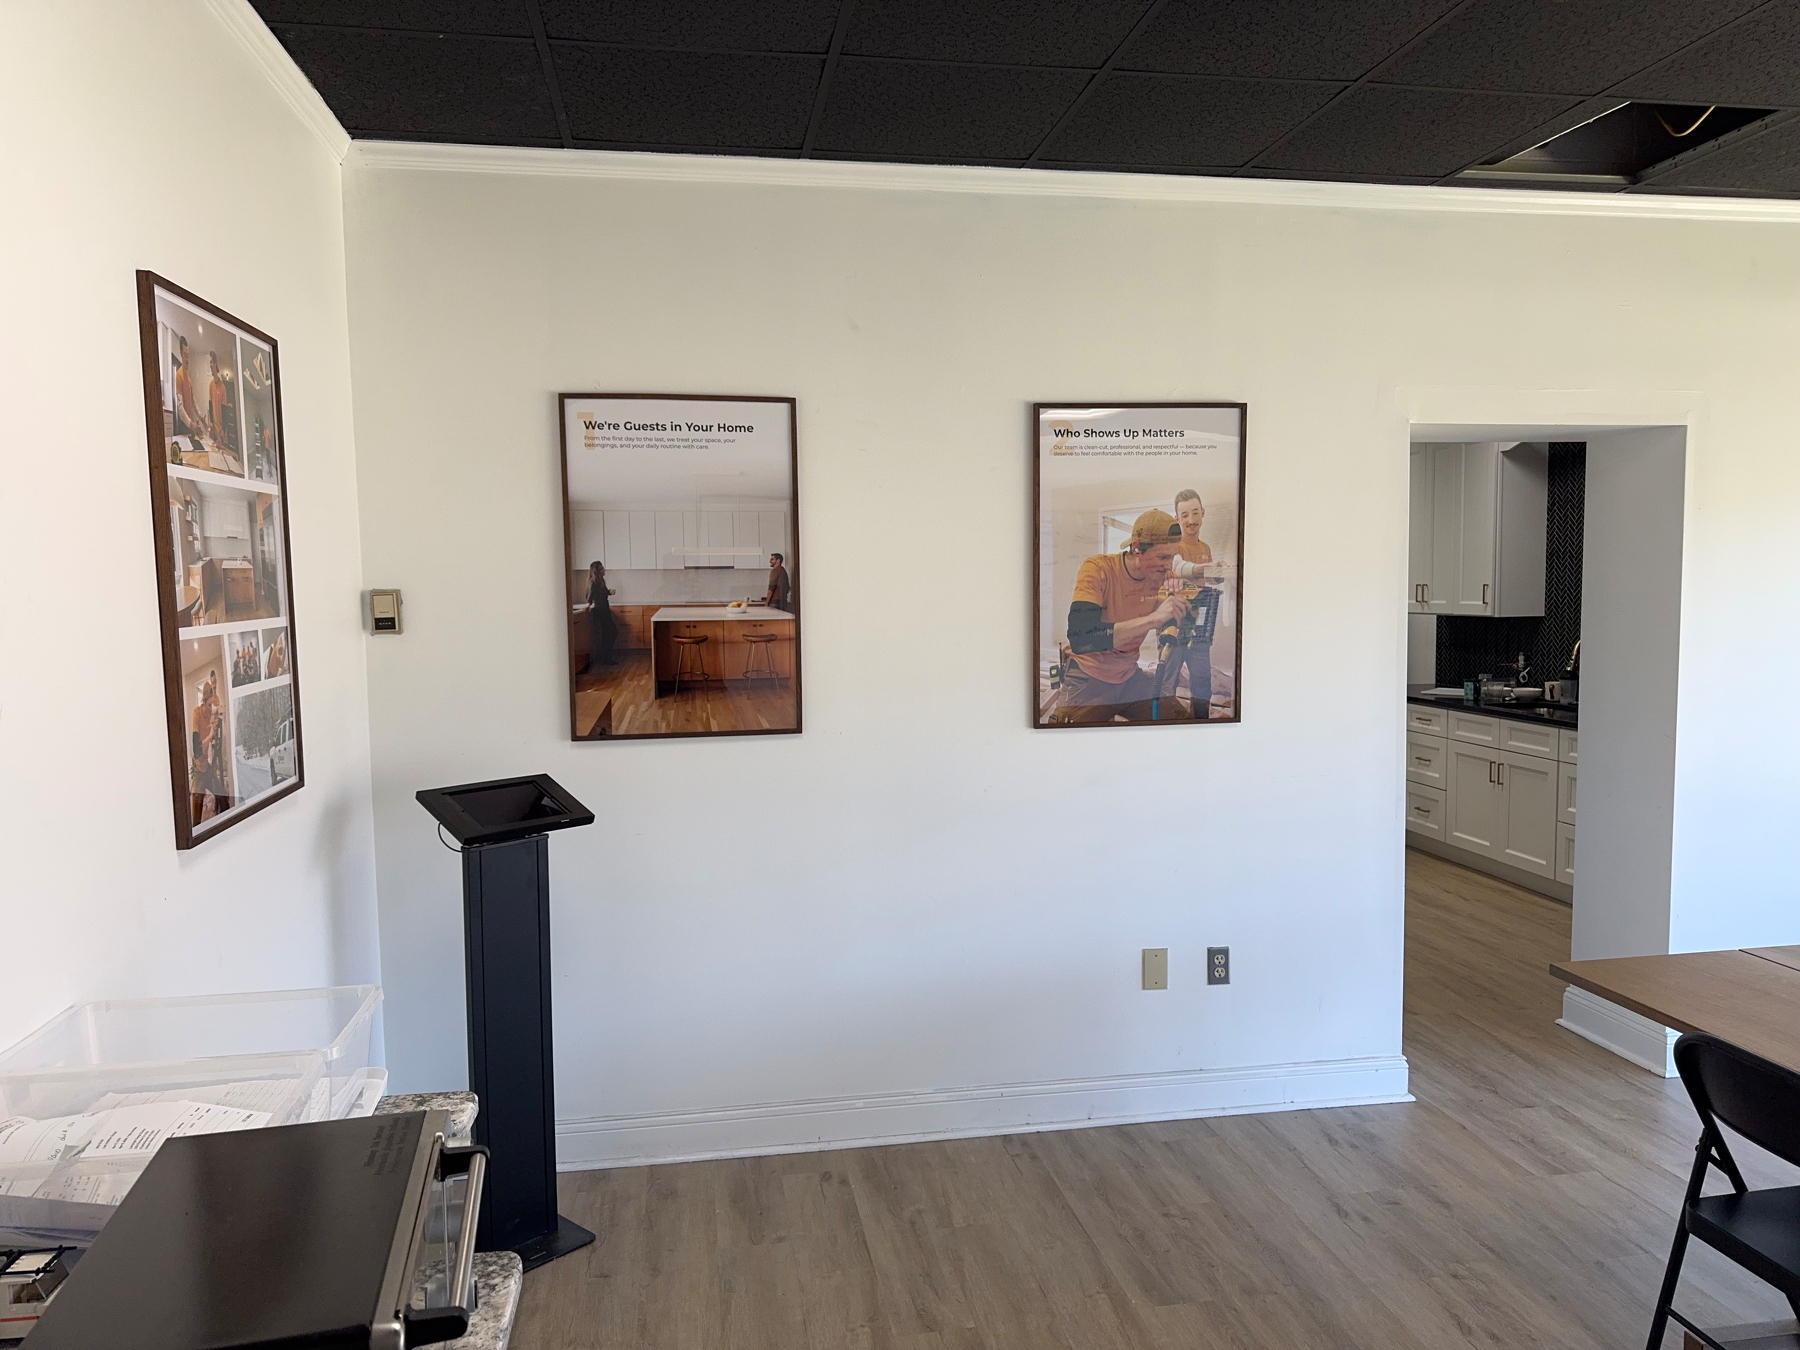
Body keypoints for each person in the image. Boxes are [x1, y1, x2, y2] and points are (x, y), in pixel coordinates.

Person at [1055, 509, 1192, 723]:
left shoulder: (1162, 576)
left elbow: (1175, 615)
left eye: (1172, 556)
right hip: (1088, 676)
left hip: (1129, 677)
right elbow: (1081, 639)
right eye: (1163, 557)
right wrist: (1153, 619)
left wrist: (1182, 612)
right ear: (1137, 548)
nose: (1168, 565)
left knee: (1183, 722)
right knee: (1064, 737)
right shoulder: (1098, 569)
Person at [1171, 488, 1214, 717]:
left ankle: (1201, 724)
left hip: (1199, 626)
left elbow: (1207, 581)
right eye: (1185, 515)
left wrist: (1218, 572)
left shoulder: (1205, 548)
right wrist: (1205, 568)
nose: (1191, 520)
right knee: (1168, 682)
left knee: (1202, 683)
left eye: (1195, 513)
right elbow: (1179, 567)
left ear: (1203, 513)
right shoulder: (1173, 546)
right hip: (1174, 624)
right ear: (1177, 518)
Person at [585, 561, 618, 671]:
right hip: (601, 610)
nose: (604, 570)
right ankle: (606, 657)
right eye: (602, 568)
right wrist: (588, 604)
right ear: (597, 571)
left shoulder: (600, 581)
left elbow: (600, 593)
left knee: (608, 633)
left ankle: (606, 657)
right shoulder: (594, 581)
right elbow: (591, 594)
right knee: (611, 632)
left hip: (604, 609)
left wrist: (609, 592)